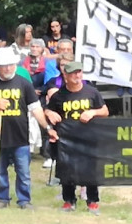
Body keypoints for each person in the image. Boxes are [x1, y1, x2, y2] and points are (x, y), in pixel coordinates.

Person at [0, 49, 49, 209]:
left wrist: (47, 127)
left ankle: (24, 200)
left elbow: (35, 108)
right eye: (4, 65)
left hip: (20, 136)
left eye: (10, 65)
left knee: (23, 172)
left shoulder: (24, 83)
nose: (8, 68)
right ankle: (2, 198)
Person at [45, 61, 109, 214]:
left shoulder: (92, 92)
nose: (77, 76)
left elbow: (105, 111)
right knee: (67, 169)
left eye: (79, 72)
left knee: (90, 170)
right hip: (67, 139)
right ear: (65, 76)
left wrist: (93, 112)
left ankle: (92, 202)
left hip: (88, 137)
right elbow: (47, 110)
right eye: (73, 73)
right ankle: (69, 200)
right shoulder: (59, 95)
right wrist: (49, 113)